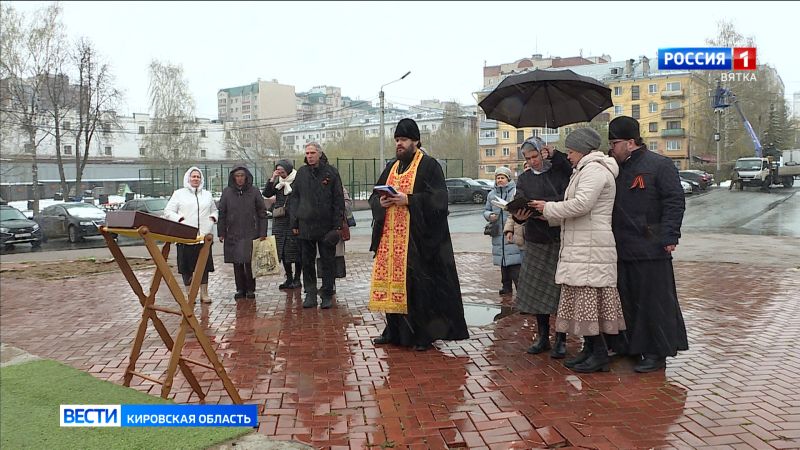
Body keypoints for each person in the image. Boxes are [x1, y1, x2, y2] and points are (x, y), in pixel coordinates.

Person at [531, 128, 626, 373]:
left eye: (571, 151)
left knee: (588, 304)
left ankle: (600, 354)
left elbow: (582, 204)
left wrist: (549, 207)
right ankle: (590, 350)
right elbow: (576, 208)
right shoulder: (585, 170)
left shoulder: (594, 170)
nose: (569, 156)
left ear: (582, 150)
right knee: (584, 305)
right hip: (584, 245)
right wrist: (545, 214)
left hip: (591, 248)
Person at [369, 118, 469, 351]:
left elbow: (440, 201)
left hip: (418, 241)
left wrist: (409, 200)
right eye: (396, 140)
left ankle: (422, 335)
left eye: (403, 140)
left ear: (415, 140)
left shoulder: (429, 165)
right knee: (392, 287)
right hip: (391, 241)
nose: (399, 144)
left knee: (419, 290)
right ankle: (393, 331)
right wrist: (381, 202)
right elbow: (374, 196)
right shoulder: (392, 166)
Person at [607, 116, 688, 373]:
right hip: (622, 247)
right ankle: (631, 346)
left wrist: (670, 235)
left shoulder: (660, 165)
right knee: (628, 301)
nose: (611, 148)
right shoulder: (615, 168)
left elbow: (674, 201)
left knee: (655, 303)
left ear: (631, 142)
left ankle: (657, 352)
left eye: (615, 143)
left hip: (652, 247)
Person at [511, 136, 572, 358]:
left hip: (558, 239)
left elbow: (567, 197)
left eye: (535, 156)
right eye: (527, 158)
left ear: (542, 153)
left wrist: (548, 207)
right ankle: (543, 337)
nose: (532, 162)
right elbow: (520, 200)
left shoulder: (558, 172)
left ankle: (561, 339)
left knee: (559, 293)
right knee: (538, 293)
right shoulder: (525, 179)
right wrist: (518, 216)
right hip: (536, 240)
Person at [289, 142, 345, 309]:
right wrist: (295, 221)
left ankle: (327, 293)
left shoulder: (331, 172)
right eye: (307, 153)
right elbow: (294, 198)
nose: (310, 156)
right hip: (306, 225)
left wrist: (337, 226)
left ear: (320, 154)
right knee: (307, 261)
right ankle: (310, 294)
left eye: (312, 152)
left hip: (326, 226)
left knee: (328, 262)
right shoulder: (302, 173)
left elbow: (338, 200)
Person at [163, 167, 218, 303]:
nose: (195, 179)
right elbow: (168, 211)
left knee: (204, 266)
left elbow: (215, 211)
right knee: (186, 267)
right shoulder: (179, 194)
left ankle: (204, 293)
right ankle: (189, 293)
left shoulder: (207, 195)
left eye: (198, 177)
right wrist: (180, 220)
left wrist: (212, 219)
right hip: (185, 237)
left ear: (201, 179)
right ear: (188, 178)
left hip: (204, 237)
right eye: (193, 176)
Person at [217, 166, 268, 300]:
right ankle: (240, 288)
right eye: (237, 176)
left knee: (249, 261)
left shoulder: (254, 191)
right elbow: (222, 213)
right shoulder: (227, 192)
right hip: (233, 231)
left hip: (251, 231)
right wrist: (221, 232)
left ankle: (250, 288)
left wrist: (263, 232)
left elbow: (262, 213)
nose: (240, 178)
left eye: (242, 175)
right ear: (233, 177)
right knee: (237, 262)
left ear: (246, 177)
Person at [262, 159, 302, 290]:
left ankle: (297, 278)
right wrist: (273, 178)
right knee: (283, 250)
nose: (281, 172)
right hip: (279, 220)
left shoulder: (297, 180)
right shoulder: (279, 183)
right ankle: (288, 278)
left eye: (282, 170)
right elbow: (267, 193)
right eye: (278, 169)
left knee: (295, 250)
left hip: (294, 219)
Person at [483, 166, 522, 295]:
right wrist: (489, 216)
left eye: (502, 177)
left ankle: (520, 288)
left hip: (511, 230)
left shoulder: (515, 192)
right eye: (498, 178)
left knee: (515, 262)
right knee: (502, 262)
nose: (500, 180)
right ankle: (506, 287)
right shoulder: (491, 194)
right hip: (498, 232)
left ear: (508, 179)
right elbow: (486, 210)